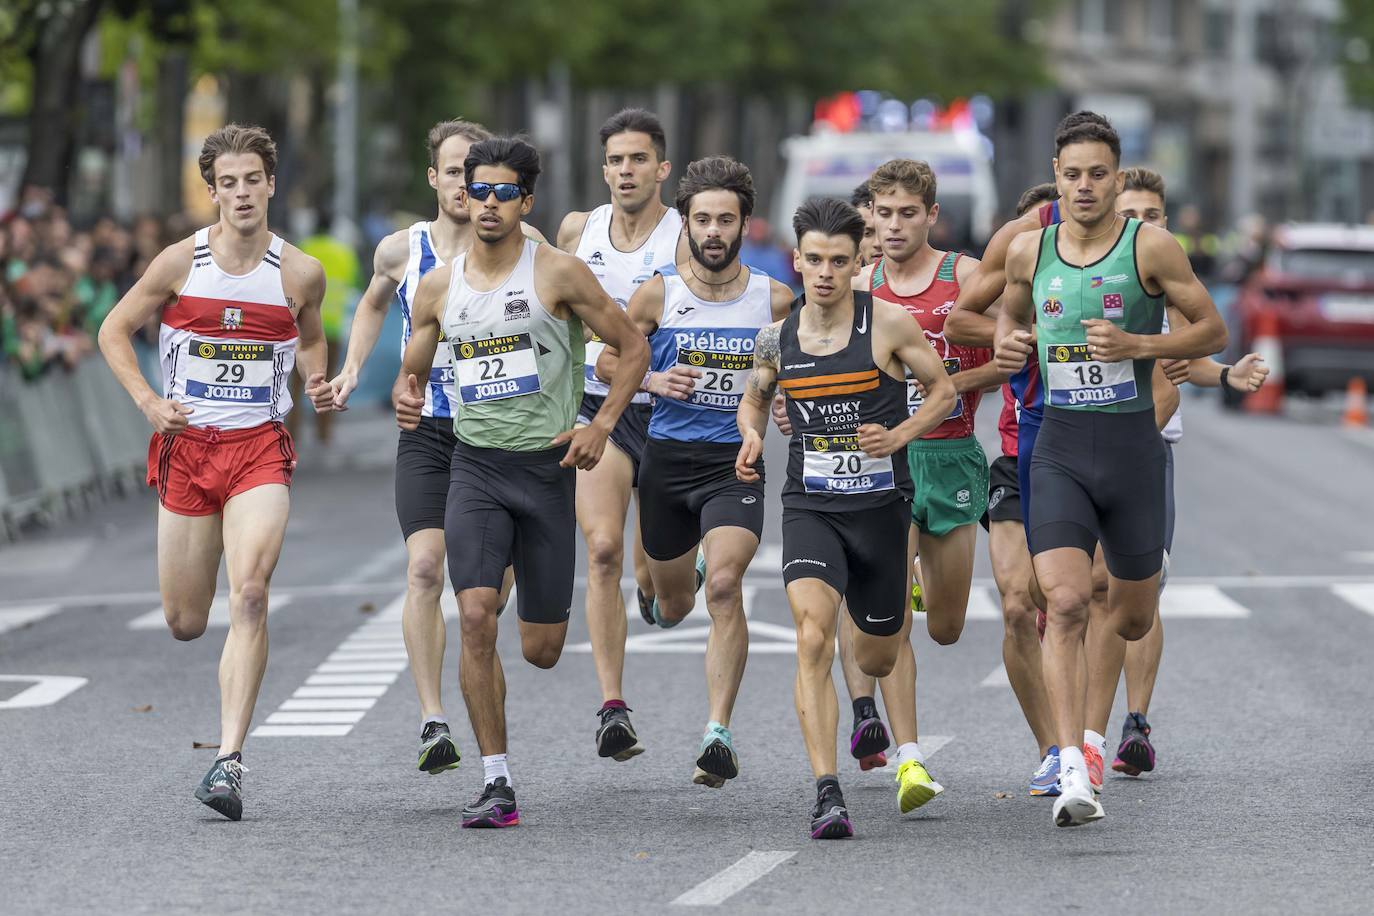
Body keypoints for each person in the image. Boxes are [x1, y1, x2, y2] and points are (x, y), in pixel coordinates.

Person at [397, 137, 649, 827]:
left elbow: (632, 349)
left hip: (546, 470)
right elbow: (419, 347)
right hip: (474, 467)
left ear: (526, 202)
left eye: (504, 193)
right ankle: (497, 780)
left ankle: (534, 615)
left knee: (539, 650)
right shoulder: (440, 285)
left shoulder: (558, 274)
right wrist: (407, 388)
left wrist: (602, 425)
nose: (488, 204)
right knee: (475, 615)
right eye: (479, 190)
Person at [994, 114, 1227, 827]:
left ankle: (1091, 740)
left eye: (1098, 174)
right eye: (1072, 174)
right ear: (1056, 178)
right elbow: (1002, 321)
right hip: (1059, 447)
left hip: (1132, 450)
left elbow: (1212, 329)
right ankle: (1073, 768)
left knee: (1129, 613)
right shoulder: (1029, 252)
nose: (1085, 186)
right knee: (1062, 603)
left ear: (1117, 179)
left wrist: (1137, 343)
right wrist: (1009, 345)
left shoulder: (1150, 247)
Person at [97, 124, 332, 821]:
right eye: (227, 183)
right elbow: (112, 330)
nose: (240, 193)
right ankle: (224, 739)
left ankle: (229, 760)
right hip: (188, 450)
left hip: (259, 448)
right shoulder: (179, 263)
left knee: (252, 592)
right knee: (185, 620)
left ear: (270, 185)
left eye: (251, 180)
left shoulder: (299, 272)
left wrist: (317, 383)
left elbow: (312, 338)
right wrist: (147, 400)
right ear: (211, 192)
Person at [737, 197, 955, 838]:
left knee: (879, 654)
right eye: (813, 260)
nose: (825, 273)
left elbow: (941, 391)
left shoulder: (886, 324)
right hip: (810, 506)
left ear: (856, 261)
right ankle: (827, 791)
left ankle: (879, 708)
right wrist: (751, 434)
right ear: (796, 261)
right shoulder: (777, 336)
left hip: (882, 508)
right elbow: (754, 399)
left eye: (838, 260)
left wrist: (901, 434)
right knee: (811, 635)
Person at [329, 119, 542, 776]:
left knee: (486, 596)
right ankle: (432, 719)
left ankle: (477, 682)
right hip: (431, 430)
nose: (463, 186)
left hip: (503, 435)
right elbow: (370, 306)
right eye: (452, 172)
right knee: (425, 569)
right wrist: (353, 367)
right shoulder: (402, 250)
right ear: (434, 178)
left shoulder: (527, 245)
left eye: (474, 176)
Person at [598, 156, 792, 788]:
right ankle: (660, 580)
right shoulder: (657, 293)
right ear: (685, 223)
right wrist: (651, 377)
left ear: (744, 225)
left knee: (726, 587)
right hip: (667, 462)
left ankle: (717, 732)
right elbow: (607, 360)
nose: (714, 232)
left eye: (726, 220)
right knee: (674, 605)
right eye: (703, 220)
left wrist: (784, 403)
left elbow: (805, 367)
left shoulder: (774, 298)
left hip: (733, 464)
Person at [1081, 166, 1269, 779]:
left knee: (1139, 588)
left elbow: (1193, 360)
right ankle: (1084, 730)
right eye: (1130, 212)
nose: (1141, 224)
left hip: (1147, 452)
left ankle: (1134, 721)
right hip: (1082, 448)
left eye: (1152, 215)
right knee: (1088, 591)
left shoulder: (1165, 286)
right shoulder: (1092, 281)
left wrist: (1229, 374)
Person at [556, 108, 683, 761]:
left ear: (661, 168)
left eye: (638, 160)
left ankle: (655, 583)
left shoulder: (686, 235)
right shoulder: (579, 230)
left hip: (668, 416)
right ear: (603, 169)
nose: (625, 171)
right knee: (601, 548)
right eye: (615, 161)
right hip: (597, 405)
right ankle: (612, 708)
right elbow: (559, 317)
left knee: (666, 585)